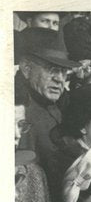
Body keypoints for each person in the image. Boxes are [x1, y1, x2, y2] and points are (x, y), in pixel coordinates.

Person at [16, 29, 78, 171]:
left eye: (63, 71)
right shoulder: (21, 113)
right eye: (52, 69)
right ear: (26, 68)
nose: (59, 79)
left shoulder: (52, 103)